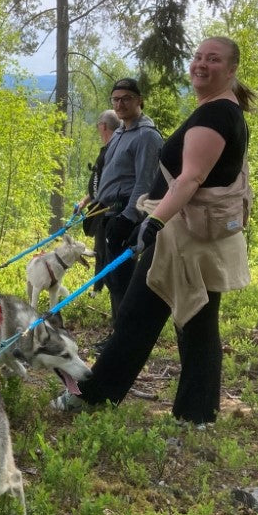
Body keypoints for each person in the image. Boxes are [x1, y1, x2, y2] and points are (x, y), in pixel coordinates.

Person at [51, 36, 254, 427]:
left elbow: (190, 179)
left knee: (174, 317)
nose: (200, 64)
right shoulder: (220, 110)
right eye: (197, 56)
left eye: (213, 59)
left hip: (184, 239)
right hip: (189, 237)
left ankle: (183, 413)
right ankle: (175, 410)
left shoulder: (215, 116)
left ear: (230, 71)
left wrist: (152, 222)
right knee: (162, 315)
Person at [92, 79, 163, 328]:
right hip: (109, 212)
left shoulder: (146, 136)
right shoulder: (121, 131)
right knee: (112, 278)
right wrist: (96, 201)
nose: (120, 104)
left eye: (126, 98)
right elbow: (111, 172)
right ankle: (117, 333)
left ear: (139, 100)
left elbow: (145, 182)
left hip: (126, 215)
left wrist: (128, 218)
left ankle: (124, 336)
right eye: (116, 99)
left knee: (123, 280)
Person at [79, 108, 120, 293]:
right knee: (100, 250)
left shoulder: (112, 151)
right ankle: (98, 288)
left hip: (108, 211)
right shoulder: (109, 150)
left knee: (105, 252)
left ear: (103, 126)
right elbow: (102, 182)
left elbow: (108, 185)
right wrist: (85, 200)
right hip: (101, 207)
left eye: (98, 127)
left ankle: (106, 289)